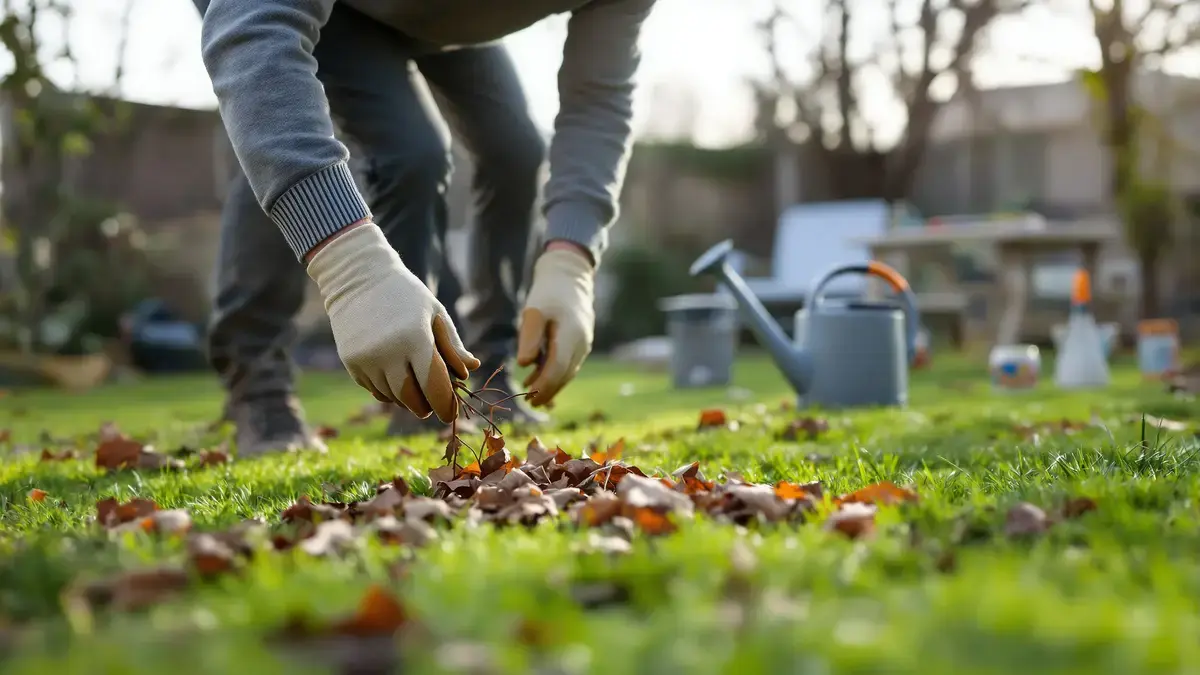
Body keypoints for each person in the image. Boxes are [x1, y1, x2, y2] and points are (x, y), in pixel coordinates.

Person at [198, 0, 655, 435]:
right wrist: (350, 267)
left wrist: (572, 258)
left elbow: (600, 97)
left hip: (434, 19)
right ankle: (260, 386)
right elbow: (252, 33)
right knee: (410, 152)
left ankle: (490, 370)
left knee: (516, 150)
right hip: (272, 12)